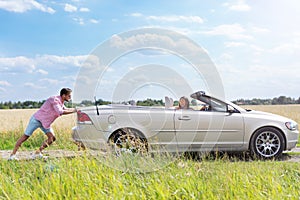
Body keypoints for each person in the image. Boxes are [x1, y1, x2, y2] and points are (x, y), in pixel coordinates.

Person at [9, 88, 77, 160]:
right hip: (36, 120)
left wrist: (77, 109)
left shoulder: (61, 101)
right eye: (69, 96)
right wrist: (75, 110)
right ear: (63, 95)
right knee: (25, 137)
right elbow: (60, 112)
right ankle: (12, 155)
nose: (70, 98)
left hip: (45, 123)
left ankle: (37, 153)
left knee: (52, 138)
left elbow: (65, 109)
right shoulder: (55, 100)